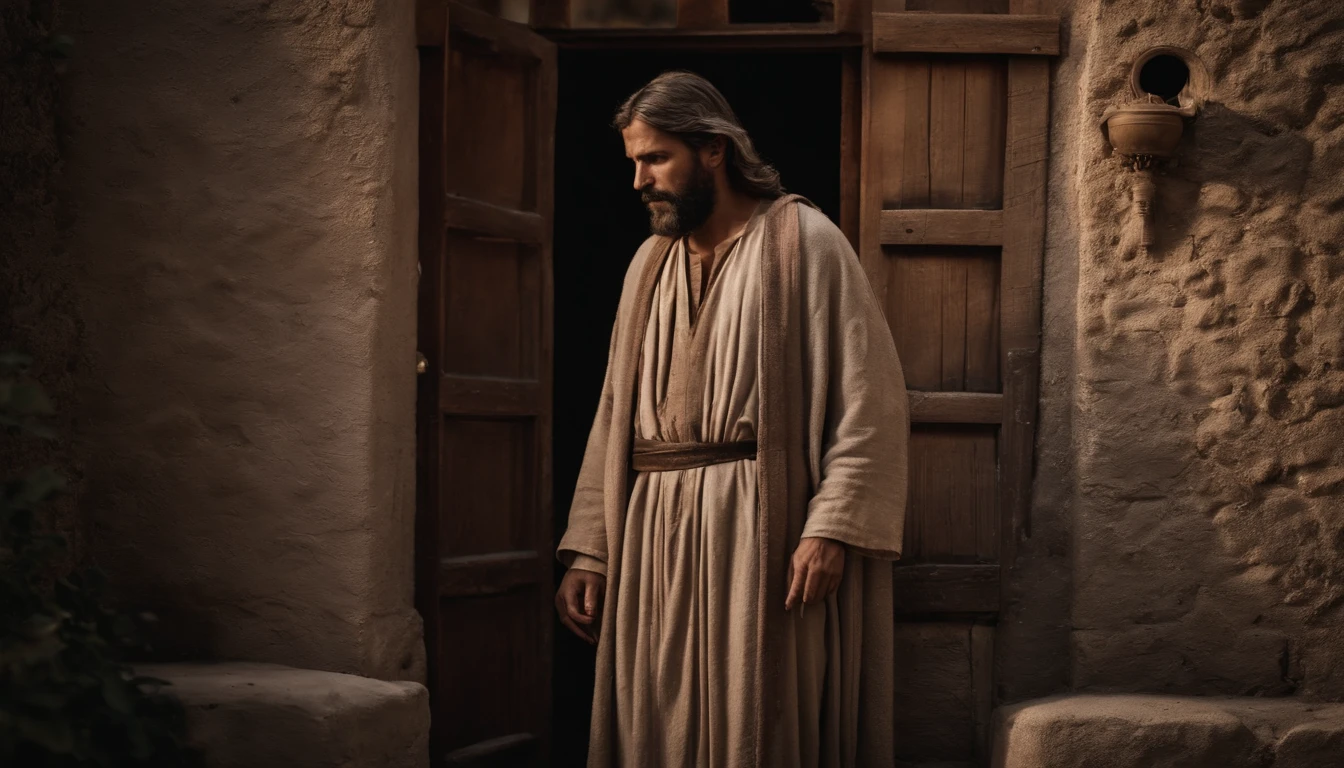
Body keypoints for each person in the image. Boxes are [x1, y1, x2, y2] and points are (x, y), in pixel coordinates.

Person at [555, 70, 909, 768]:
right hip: (651, 531)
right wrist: (592, 547)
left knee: (759, 718)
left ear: (713, 149)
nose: (639, 181)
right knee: (656, 717)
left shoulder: (805, 241)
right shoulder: (647, 264)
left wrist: (831, 527)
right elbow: (612, 414)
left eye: (655, 158)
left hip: (761, 531)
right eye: (634, 162)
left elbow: (869, 398)